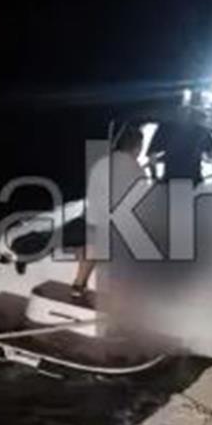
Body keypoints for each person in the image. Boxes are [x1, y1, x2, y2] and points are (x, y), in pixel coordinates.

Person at [71, 124, 146, 296]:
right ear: (136, 147)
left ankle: (79, 283)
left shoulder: (102, 162)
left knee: (92, 242)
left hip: (92, 219)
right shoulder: (136, 169)